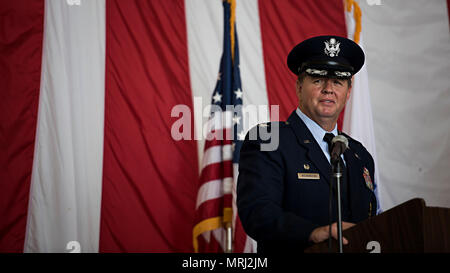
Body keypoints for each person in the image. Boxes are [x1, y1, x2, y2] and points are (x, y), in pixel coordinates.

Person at [237, 35, 378, 253]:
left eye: (338, 81)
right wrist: (314, 233)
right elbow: (257, 213)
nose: (328, 89)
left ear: (348, 92)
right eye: (318, 80)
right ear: (299, 87)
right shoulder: (268, 138)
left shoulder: (360, 155)